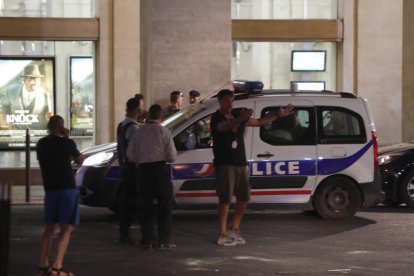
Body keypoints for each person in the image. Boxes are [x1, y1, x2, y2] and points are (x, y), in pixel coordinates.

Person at [210, 89, 294, 246]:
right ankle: (222, 233)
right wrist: (240, 119)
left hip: (241, 162)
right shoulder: (216, 118)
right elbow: (224, 128)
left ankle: (234, 229)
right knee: (225, 199)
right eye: (227, 100)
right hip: (225, 163)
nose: (230, 103)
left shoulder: (237, 115)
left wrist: (277, 115)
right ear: (220, 101)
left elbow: (259, 122)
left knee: (243, 197)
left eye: (232, 100)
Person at [36, 115, 85, 276]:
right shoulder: (67, 143)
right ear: (62, 127)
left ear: (49, 127)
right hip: (67, 189)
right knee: (66, 227)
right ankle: (57, 267)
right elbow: (80, 161)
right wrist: (67, 138)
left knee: (49, 228)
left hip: (50, 189)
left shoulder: (41, 144)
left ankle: (43, 265)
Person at [127, 104, 177, 250]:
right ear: (161, 117)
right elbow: (172, 157)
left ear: (148, 116)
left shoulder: (138, 132)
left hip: (144, 171)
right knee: (165, 205)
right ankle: (164, 241)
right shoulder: (165, 132)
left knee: (145, 206)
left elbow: (130, 154)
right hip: (160, 169)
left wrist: (140, 159)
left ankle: (148, 240)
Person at [116, 97, 142, 245]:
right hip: (133, 168)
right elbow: (135, 149)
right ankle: (128, 232)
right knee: (134, 200)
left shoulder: (121, 125)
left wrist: (121, 163)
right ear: (137, 110)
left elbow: (120, 148)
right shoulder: (133, 128)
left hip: (125, 167)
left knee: (127, 200)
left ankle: (124, 231)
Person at [0, 64, 53, 130]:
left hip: (39, 132)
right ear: (24, 80)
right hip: (18, 131)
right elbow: (5, 105)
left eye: (38, 79)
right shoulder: (11, 91)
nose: (35, 82)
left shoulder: (46, 94)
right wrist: (9, 122)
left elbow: (50, 112)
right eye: (31, 79)